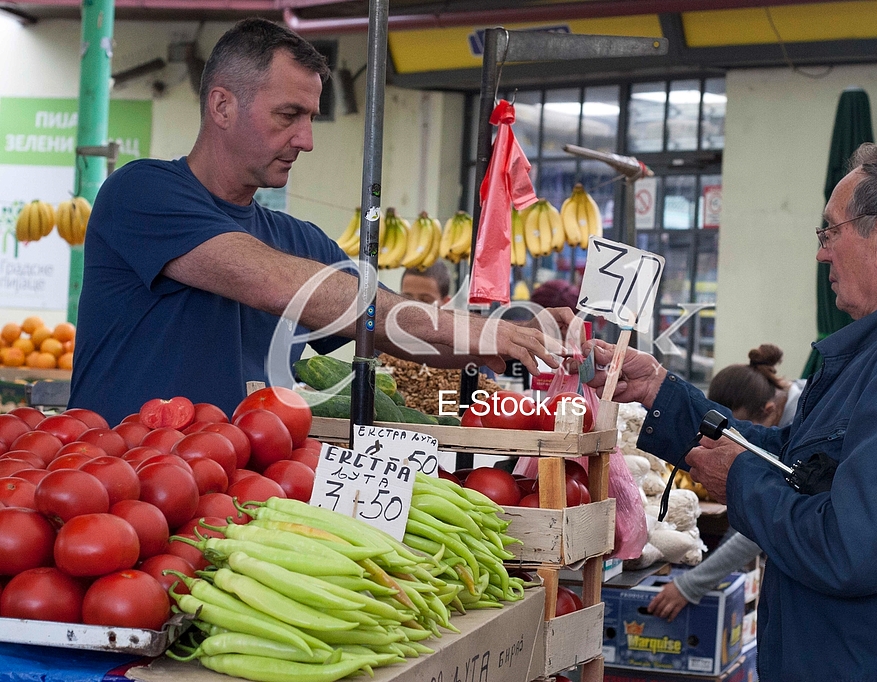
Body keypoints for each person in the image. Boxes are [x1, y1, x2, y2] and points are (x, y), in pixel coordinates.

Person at [587, 143, 877, 681]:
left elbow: (849, 548)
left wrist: (738, 481)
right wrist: (661, 392)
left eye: (829, 231)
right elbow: (798, 466)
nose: (821, 253)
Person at [69, 19, 566, 424]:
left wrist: (517, 329)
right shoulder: (141, 192)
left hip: (241, 493)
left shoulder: (295, 239)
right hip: (125, 483)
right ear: (222, 105)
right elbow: (275, 283)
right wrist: (461, 326)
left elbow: (387, 328)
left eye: (310, 117)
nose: (306, 140)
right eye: (288, 115)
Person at [648, 343, 805, 623]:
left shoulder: (805, 427)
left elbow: (760, 522)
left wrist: (691, 584)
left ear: (770, 410)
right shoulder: (783, 405)